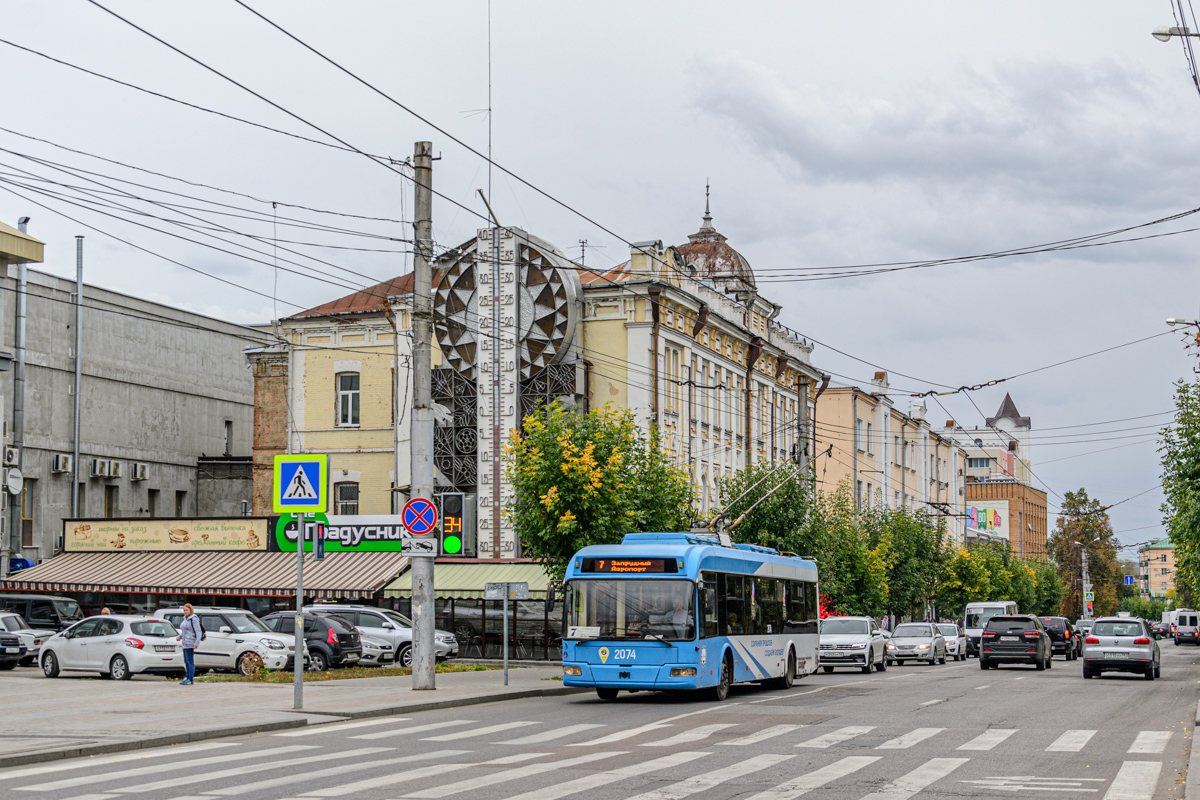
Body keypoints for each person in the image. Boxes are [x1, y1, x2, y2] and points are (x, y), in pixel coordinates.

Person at [176, 603, 202, 685]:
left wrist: (196, 643)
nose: (185, 612)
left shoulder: (193, 619)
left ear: (190, 610)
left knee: (190, 661)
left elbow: (198, 632)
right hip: (184, 643)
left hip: (190, 643)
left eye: (187, 610)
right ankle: (187, 678)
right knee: (186, 661)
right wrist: (179, 636)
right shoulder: (185, 619)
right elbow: (184, 631)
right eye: (184, 610)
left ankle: (190, 679)